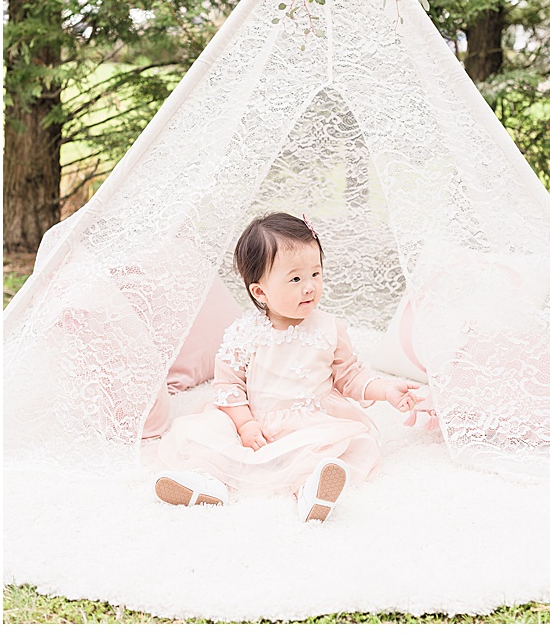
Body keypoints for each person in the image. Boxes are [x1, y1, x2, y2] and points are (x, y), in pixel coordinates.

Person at [154, 212, 418, 522]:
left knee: (322, 447)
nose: (310, 287)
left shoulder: (329, 329)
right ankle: (207, 481)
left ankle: (311, 489)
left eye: (316, 274)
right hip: (251, 419)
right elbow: (227, 388)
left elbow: (350, 377)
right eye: (295, 279)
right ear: (260, 292)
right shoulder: (243, 333)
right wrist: (244, 424)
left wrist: (387, 390)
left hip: (308, 421)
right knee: (212, 439)